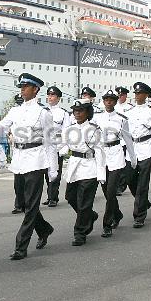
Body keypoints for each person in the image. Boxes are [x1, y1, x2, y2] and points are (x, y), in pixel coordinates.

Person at [0, 73, 58, 259]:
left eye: (26, 87)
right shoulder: (15, 111)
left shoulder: (43, 113)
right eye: (21, 87)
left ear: (35, 90)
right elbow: (1, 126)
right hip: (19, 160)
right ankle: (44, 229)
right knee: (23, 203)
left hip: (36, 159)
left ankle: (21, 245)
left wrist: (53, 168)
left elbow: (50, 142)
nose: (22, 90)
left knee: (32, 204)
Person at [59, 98, 105, 246]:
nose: (77, 113)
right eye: (75, 111)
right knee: (70, 197)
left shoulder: (94, 129)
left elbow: (100, 152)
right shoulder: (69, 128)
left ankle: (80, 232)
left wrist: (101, 174)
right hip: (74, 166)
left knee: (84, 201)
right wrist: (61, 150)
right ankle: (90, 216)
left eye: (81, 111)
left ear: (88, 112)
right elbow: (65, 146)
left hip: (89, 167)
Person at [92, 89, 135, 237]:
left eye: (111, 99)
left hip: (116, 154)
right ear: (103, 101)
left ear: (115, 102)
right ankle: (117, 214)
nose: (109, 102)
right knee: (106, 192)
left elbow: (128, 140)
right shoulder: (96, 118)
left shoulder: (122, 119)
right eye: (106, 99)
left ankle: (107, 224)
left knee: (111, 191)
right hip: (101, 155)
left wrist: (133, 158)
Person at [123, 82, 151, 228]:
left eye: (140, 93)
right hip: (132, 150)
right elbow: (125, 134)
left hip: (146, 149)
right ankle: (144, 203)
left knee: (142, 184)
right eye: (136, 93)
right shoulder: (129, 112)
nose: (137, 96)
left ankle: (139, 216)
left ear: (146, 95)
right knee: (129, 179)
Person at [43, 86, 70, 207]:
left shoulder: (63, 113)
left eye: (53, 95)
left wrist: (64, 147)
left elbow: (67, 130)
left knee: (55, 172)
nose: (50, 97)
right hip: (44, 147)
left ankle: (53, 197)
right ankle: (50, 195)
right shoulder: (42, 111)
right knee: (45, 172)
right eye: (49, 95)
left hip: (57, 146)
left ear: (58, 98)